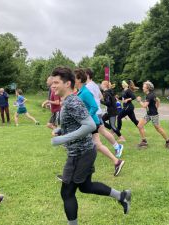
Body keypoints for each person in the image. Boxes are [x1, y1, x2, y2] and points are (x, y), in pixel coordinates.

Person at [50, 67, 131, 225]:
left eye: (56, 82)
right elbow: (79, 122)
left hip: (80, 153)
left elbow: (88, 125)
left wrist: (62, 138)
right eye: (52, 82)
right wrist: (61, 130)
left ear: (67, 84)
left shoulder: (72, 101)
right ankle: (122, 196)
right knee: (85, 186)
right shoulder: (69, 100)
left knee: (67, 193)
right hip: (83, 151)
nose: (52, 86)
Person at [74, 69, 124, 176]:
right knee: (96, 144)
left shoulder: (87, 89)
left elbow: (94, 106)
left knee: (83, 144)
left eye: (74, 77)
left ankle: (75, 171)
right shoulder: (89, 87)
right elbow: (100, 98)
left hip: (92, 118)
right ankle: (116, 160)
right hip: (94, 117)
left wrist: (85, 116)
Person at [84, 68, 124, 159]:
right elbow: (101, 97)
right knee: (102, 132)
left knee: (93, 134)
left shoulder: (88, 87)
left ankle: (116, 149)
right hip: (97, 112)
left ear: (87, 75)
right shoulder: (94, 85)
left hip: (93, 113)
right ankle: (117, 146)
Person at [136, 81, 169, 149]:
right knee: (140, 125)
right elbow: (158, 100)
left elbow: (144, 105)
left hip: (153, 115)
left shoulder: (150, 95)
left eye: (144, 87)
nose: (142, 88)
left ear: (148, 88)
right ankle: (144, 142)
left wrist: (139, 101)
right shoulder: (150, 94)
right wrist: (156, 107)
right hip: (149, 114)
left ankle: (168, 141)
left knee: (158, 128)